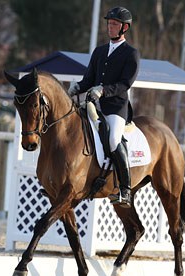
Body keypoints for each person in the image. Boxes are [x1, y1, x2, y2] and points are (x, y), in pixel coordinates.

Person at [68, 7, 139, 208]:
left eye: (114, 24)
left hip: (116, 108)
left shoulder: (131, 54)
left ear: (124, 27)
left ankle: (125, 189)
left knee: (114, 139)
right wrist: (77, 87)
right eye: (109, 23)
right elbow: (89, 79)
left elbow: (125, 84)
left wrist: (103, 90)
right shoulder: (99, 51)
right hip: (94, 105)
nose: (110, 27)